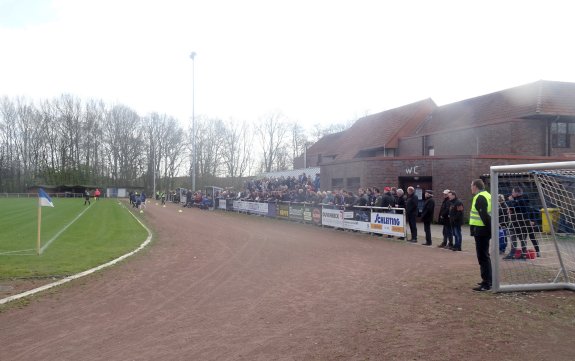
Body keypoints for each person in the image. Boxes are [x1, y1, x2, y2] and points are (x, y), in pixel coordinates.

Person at [503, 187, 541, 259]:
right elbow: (512, 209)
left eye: (513, 192)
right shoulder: (519, 200)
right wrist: (510, 209)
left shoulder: (521, 200)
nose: (512, 194)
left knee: (525, 236)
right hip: (521, 221)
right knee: (522, 236)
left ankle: (513, 253)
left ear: (517, 193)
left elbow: (515, 207)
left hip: (521, 221)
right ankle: (522, 253)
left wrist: (511, 201)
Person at [470, 179, 492, 291]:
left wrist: (489, 231)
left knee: (483, 257)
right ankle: (488, 280)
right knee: (485, 256)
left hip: (482, 231)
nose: (471, 188)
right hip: (482, 230)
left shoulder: (480, 197)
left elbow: (484, 216)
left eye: (471, 186)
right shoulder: (487, 195)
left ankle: (486, 283)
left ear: (475, 186)